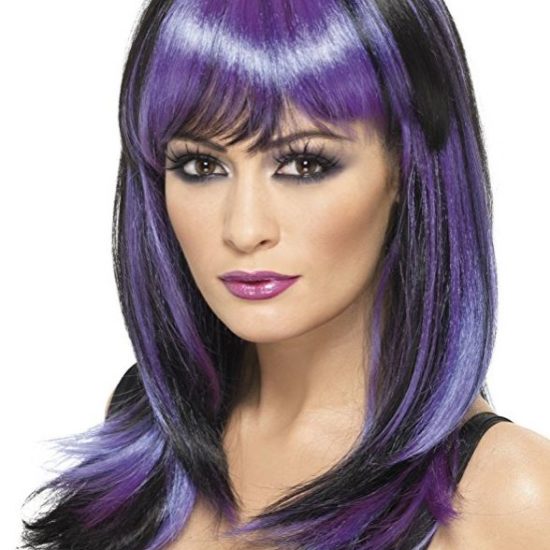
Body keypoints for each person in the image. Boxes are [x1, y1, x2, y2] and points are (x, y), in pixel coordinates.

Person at [20, 0, 550, 549]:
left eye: (304, 164)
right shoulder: (141, 426)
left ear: (407, 167)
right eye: (202, 165)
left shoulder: (509, 495)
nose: (244, 229)